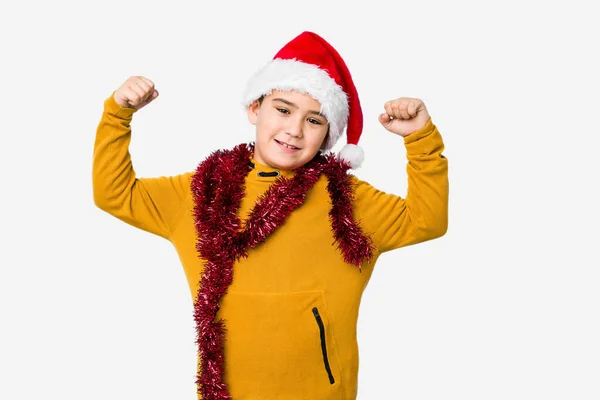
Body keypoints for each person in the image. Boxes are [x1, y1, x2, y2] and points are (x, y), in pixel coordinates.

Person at [93, 31, 448, 400]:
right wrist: (118, 115)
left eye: (314, 120)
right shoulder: (202, 192)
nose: (294, 130)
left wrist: (420, 140)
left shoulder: (348, 201)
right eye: (283, 109)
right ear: (255, 109)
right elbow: (115, 193)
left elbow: (427, 219)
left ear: (328, 134)